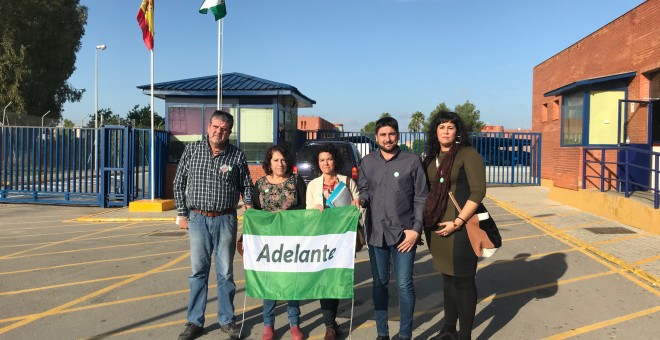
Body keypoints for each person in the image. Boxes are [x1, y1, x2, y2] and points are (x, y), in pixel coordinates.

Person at [173, 110, 253, 340]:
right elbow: (179, 183)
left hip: (225, 219)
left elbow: (246, 185)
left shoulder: (236, 155)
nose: (219, 131)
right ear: (209, 127)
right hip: (197, 218)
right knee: (198, 271)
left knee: (225, 272)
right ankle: (194, 321)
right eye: (216, 126)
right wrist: (181, 214)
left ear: (229, 132)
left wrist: (247, 203)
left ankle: (227, 320)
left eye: (224, 129)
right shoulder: (192, 150)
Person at [357, 117, 428, 340]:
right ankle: (382, 333)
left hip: (404, 234)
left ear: (397, 134)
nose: (387, 139)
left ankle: (405, 334)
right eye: (383, 135)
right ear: (376, 137)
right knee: (379, 284)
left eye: (391, 134)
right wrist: (361, 200)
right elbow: (365, 189)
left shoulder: (412, 161)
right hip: (376, 232)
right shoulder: (367, 162)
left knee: (405, 285)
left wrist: (416, 229)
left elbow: (421, 197)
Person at [422, 111, 486, 340]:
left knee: (464, 280)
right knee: (447, 279)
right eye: (441, 127)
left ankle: (464, 335)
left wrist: (458, 222)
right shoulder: (431, 157)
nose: (446, 131)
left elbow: (479, 191)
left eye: (450, 127)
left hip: (461, 228)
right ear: (435, 131)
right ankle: (448, 329)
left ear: (457, 130)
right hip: (436, 230)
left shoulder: (467, 154)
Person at [251, 146, 306, 340]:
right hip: (268, 242)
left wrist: (286, 216)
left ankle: (294, 323)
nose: (280, 164)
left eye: (283, 160)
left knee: (292, 282)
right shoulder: (260, 184)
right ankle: (268, 325)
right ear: (269, 163)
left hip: (292, 240)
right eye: (275, 160)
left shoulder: (296, 181)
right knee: (270, 284)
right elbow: (255, 212)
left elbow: (303, 207)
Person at [305, 143, 359, 340]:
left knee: (336, 280)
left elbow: (358, 209)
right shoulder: (312, 185)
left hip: (342, 241)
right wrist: (315, 210)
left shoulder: (347, 182)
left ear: (335, 160)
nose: (325, 163)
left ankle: (332, 321)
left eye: (329, 159)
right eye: (321, 160)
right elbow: (307, 214)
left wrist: (356, 206)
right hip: (322, 241)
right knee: (325, 280)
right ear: (317, 164)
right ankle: (329, 325)